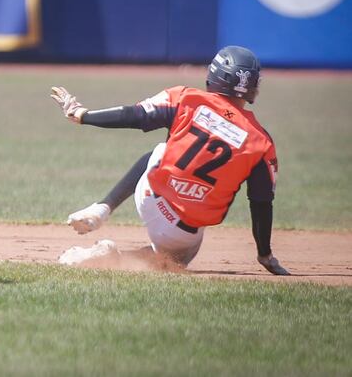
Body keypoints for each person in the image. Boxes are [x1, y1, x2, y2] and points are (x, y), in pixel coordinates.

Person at [50, 45, 290, 276]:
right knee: (173, 260)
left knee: (164, 150)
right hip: (185, 233)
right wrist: (264, 254)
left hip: (152, 199)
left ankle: (102, 211)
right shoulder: (261, 141)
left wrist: (84, 116)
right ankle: (106, 254)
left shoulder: (186, 98)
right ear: (253, 88)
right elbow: (261, 203)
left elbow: (134, 116)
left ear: (214, 75)